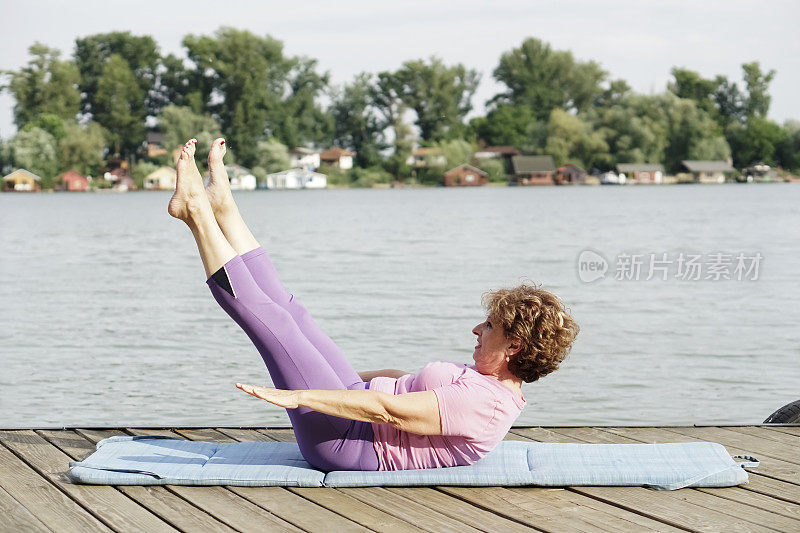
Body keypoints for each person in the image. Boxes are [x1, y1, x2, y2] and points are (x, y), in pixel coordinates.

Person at [168, 138, 580, 471]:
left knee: (275, 325)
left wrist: (300, 395)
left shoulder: (487, 405)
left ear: (515, 347)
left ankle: (195, 214)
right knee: (293, 313)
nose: (476, 329)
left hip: (350, 442)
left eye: (489, 326)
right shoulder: (486, 380)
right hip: (354, 401)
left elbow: (390, 412)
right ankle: (224, 209)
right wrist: (322, 368)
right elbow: (402, 380)